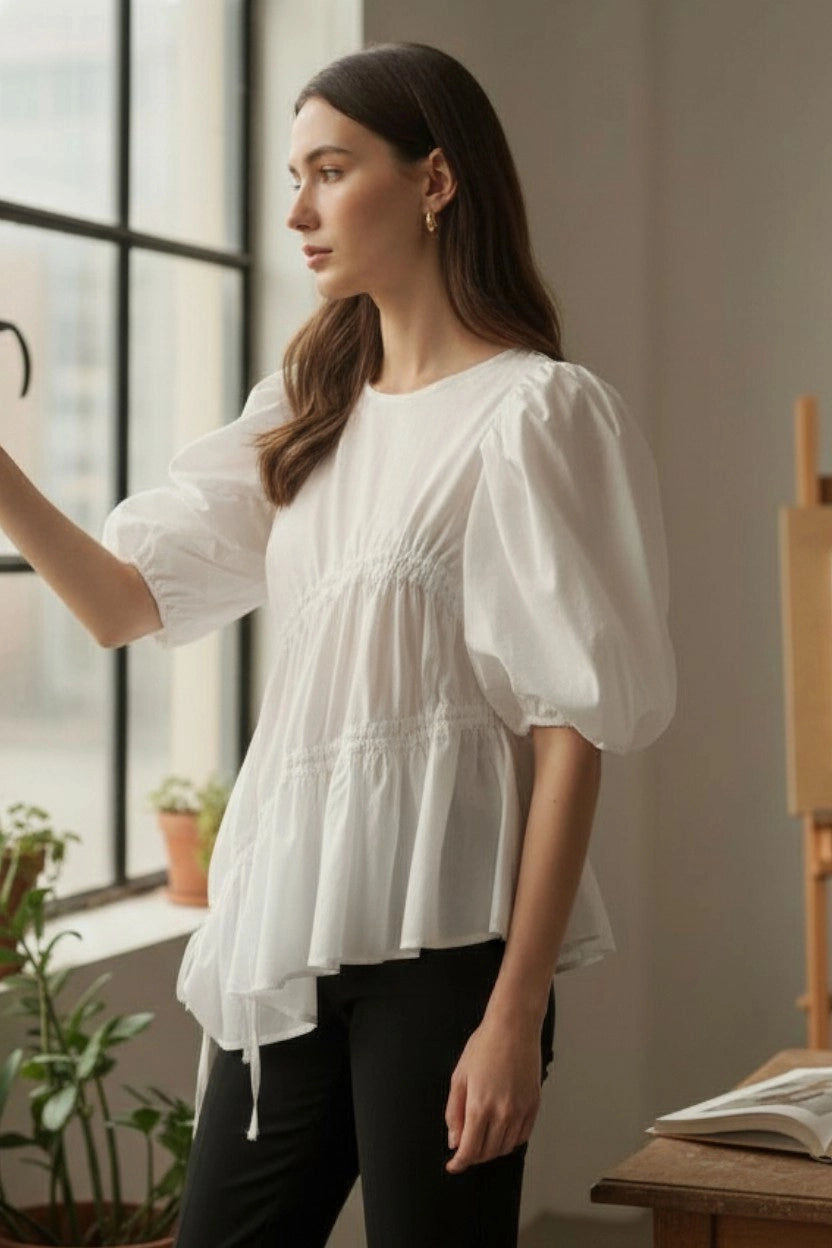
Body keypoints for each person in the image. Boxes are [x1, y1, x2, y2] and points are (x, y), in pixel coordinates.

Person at [0, 40, 677, 1248]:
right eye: (293, 172)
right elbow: (117, 604)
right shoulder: (307, 408)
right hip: (284, 927)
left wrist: (513, 1012)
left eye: (329, 169)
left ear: (434, 181)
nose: (297, 208)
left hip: (448, 945)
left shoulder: (534, 413)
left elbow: (567, 731)